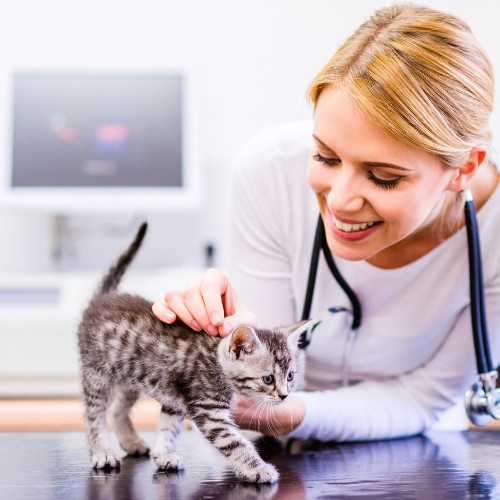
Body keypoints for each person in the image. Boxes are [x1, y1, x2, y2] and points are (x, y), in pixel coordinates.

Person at [152, 3, 500, 442]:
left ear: (464, 169)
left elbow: (425, 397)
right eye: (324, 157)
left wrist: (296, 413)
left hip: (424, 460)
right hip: (281, 457)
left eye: (384, 178)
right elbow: (254, 378)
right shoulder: (270, 171)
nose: (338, 201)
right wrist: (210, 340)